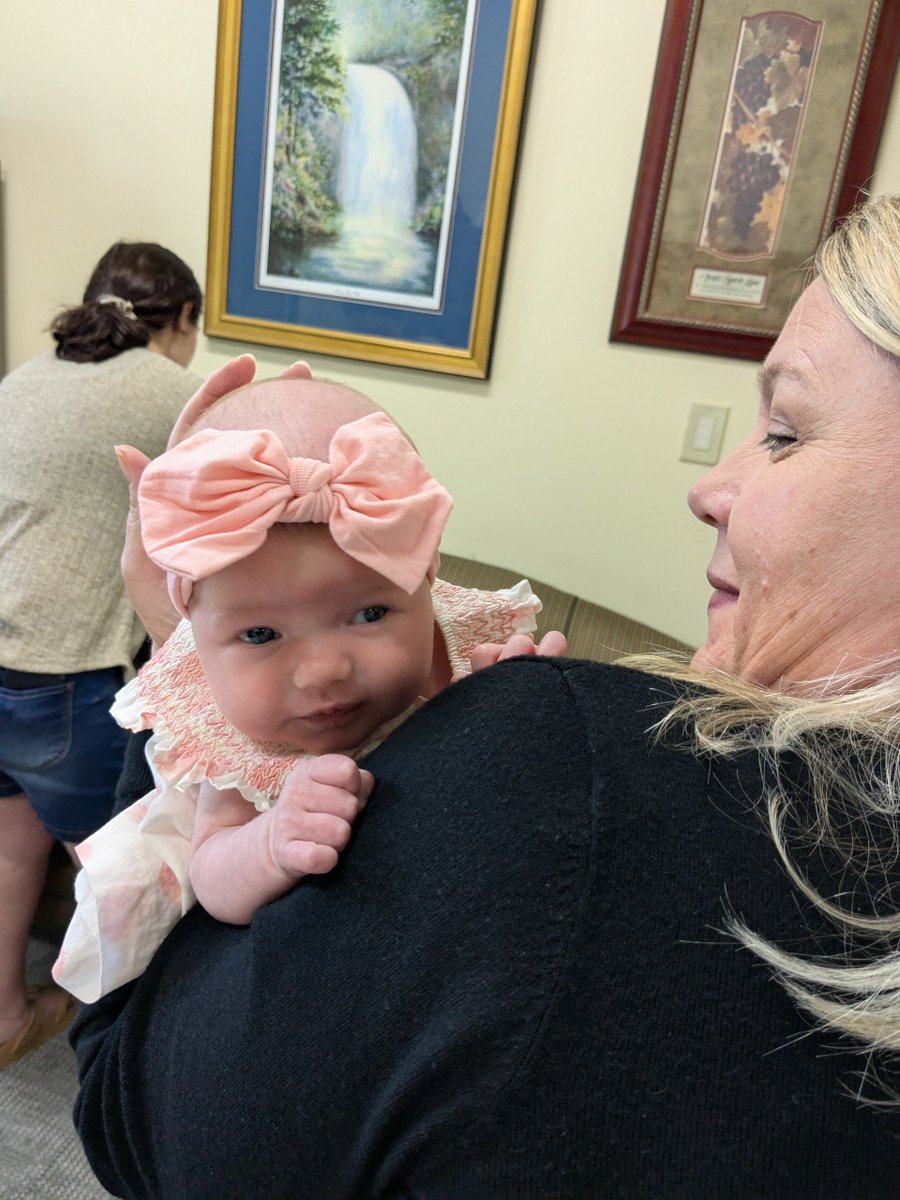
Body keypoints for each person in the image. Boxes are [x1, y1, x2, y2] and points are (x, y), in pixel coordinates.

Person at [69, 196, 900, 1198]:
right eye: (259, 632)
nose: (707, 487)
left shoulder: (554, 759)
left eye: (782, 431)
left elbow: (144, 1124)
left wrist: (509, 708)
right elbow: (206, 852)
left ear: (424, 583)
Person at [53, 377, 562, 1002]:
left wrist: (510, 694)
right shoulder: (239, 742)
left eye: (370, 614)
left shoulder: (445, 646)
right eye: (261, 633)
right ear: (196, 636)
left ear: (425, 586)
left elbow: (485, 759)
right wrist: (270, 843)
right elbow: (211, 874)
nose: (323, 671)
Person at [0, 241, 203, 1071]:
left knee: (11, 842)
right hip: (66, 682)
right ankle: (133, 1063)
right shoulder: (176, 394)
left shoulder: (26, 377)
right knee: (128, 875)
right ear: (182, 320)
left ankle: (5, 1012)